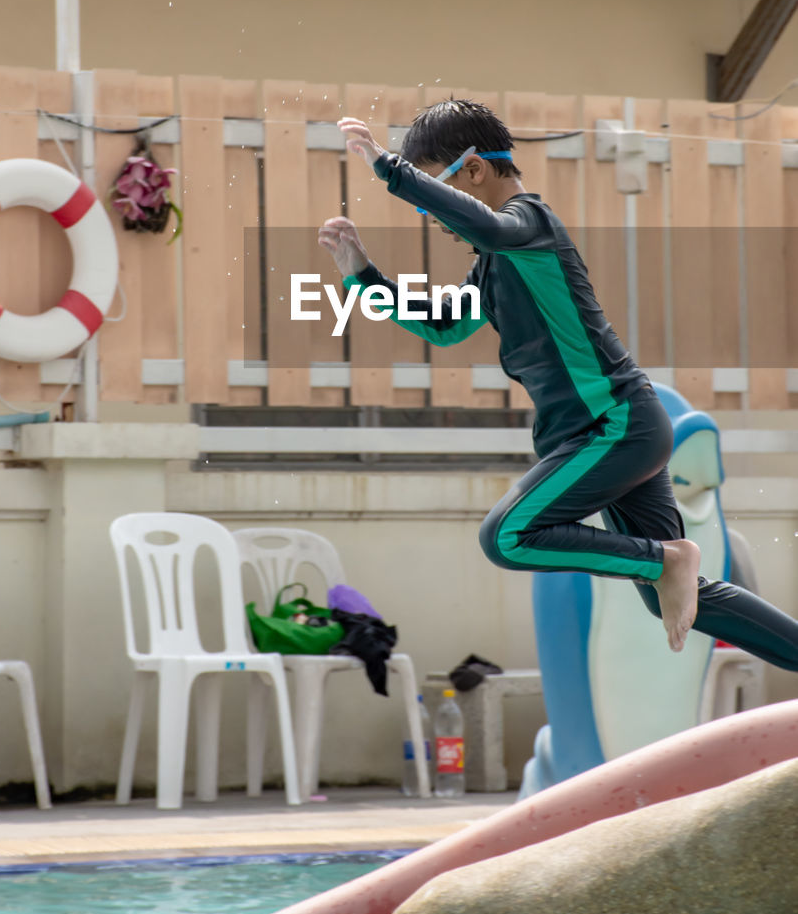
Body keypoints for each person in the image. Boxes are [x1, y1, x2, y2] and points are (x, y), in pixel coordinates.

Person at [318, 99, 798, 670]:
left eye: (435, 193)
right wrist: (361, 276)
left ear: (473, 172)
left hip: (616, 426)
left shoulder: (531, 225)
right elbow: (443, 327)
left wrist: (391, 170)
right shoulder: (495, 263)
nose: (436, 217)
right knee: (670, 591)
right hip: (603, 436)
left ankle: (668, 560)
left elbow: (488, 225)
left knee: (509, 537)